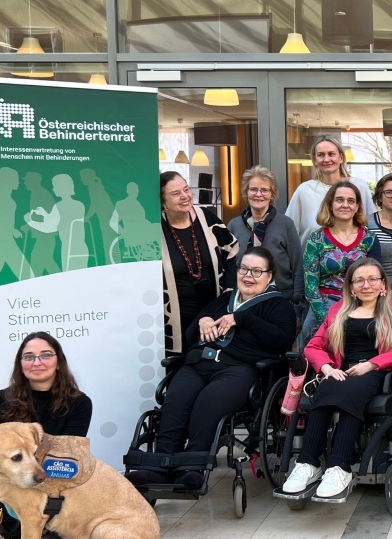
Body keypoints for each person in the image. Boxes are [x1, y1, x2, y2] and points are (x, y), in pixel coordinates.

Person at [129, 247, 296, 491]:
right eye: (244, 269)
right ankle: (159, 465)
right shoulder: (223, 301)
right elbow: (190, 337)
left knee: (208, 402)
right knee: (176, 400)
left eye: (257, 271)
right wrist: (202, 321)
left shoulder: (278, 305)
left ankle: (191, 467)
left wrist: (242, 318)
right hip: (199, 363)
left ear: (269, 276)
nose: (248, 275)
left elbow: (281, 340)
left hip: (239, 368)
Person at [281, 259, 392, 502]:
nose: (366, 285)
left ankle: (339, 467)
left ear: (383, 284)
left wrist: (371, 364)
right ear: (351, 287)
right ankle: (308, 464)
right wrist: (326, 367)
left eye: (372, 279)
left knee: (352, 392)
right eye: (359, 280)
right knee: (325, 389)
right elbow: (313, 347)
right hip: (341, 370)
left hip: (376, 371)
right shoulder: (338, 310)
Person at [0, 332, 92, 539]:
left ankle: (44, 522)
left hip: (57, 474)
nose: (37, 362)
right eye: (29, 357)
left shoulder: (79, 403)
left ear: (58, 362)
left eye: (45, 355)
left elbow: (69, 452)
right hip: (14, 476)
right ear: (21, 364)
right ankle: (5, 531)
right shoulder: (3, 399)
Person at [160, 171, 238, 354]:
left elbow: (231, 249)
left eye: (186, 189)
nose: (185, 196)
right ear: (163, 203)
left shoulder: (206, 217)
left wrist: (229, 287)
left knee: (211, 359)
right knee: (179, 362)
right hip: (175, 319)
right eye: (176, 193)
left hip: (214, 312)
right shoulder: (155, 229)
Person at [302, 180, 382, 343]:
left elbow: (376, 280)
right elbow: (311, 286)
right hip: (323, 305)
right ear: (330, 204)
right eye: (339, 200)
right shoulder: (316, 239)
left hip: (361, 304)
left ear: (357, 206)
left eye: (351, 201)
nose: (345, 205)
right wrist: (325, 320)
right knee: (312, 345)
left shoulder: (369, 239)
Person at [227, 165, 305, 331]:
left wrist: (297, 307)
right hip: (242, 304)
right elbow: (228, 268)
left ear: (272, 194)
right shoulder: (234, 226)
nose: (258, 194)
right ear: (246, 192)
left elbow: (298, 266)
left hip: (280, 302)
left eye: (264, 190)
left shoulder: (285, 224)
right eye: (253, 189)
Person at [287, 135, 376, 248]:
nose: (326, 159)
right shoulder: (304, 190)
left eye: (331, 154)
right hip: (310, 257)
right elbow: (289, 231)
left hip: (355, 257)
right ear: (315, 160)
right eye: (321, 155)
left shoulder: (359, 186)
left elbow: (370, 226)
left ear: (341, 158)